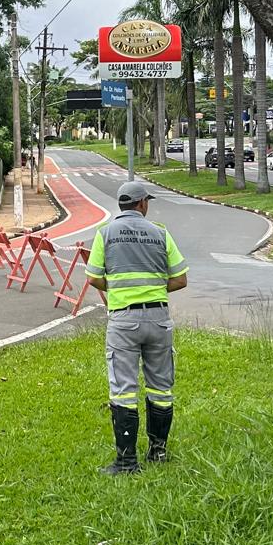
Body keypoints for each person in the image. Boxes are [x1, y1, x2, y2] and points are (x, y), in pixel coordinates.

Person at [85, 181, 188, 475]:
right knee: (161, 388)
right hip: (158, 319)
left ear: (122, 204)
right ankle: (158, 451)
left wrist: (117, 289)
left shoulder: (105, 234)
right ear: (142, 204)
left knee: (123, 390)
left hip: (124, 321)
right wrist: (153, 289)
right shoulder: (160, 233)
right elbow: (180, 279)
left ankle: (127, 461)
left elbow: (93, 278)